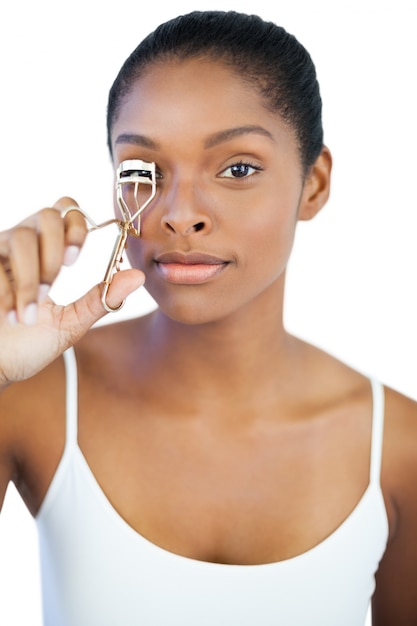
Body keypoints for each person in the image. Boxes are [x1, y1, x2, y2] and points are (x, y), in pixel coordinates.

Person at [0, 9, 416, 626]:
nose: (179, 214)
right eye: (144, 171)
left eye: (237, 168)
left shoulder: (400, 449)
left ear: (314, 184)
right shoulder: (29, 398)